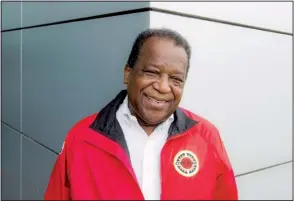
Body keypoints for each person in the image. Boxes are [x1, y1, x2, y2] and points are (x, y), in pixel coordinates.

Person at [44, 28, 238, 200]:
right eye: (152, 72)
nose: (163, 87)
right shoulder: (83, 138)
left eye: (175, 79)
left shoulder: (206, 137)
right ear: (128, 73)